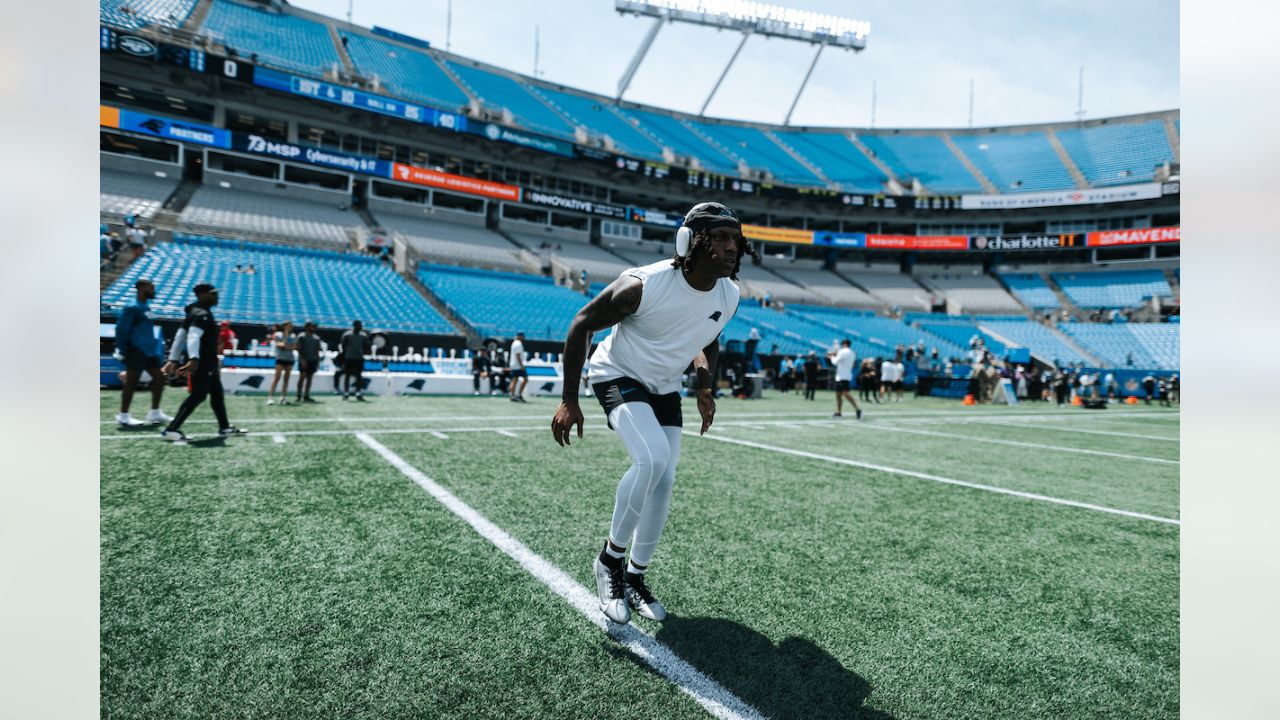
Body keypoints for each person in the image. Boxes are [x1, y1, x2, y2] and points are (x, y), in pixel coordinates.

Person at [551, 200, 756, 626]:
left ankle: (635, 577)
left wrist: (705, 385)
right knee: (652, 459)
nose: (732, 247)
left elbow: (708, 334)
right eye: (720, 237)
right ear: (689, 241)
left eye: (735, 239)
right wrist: (570, 398)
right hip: (618, 373)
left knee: (664, 480)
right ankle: (609, 562)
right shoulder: (642, 285)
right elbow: (581, 324)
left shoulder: (729, 294)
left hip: (664, 386)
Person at [160, 283, 246, 441]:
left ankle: (224, 427)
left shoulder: (194, 312)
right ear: (202, 295)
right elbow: (192, 336)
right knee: (198, 395)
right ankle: (171, 429)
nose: (216, 297)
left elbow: (180, 337)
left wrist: (173, 359)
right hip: (203, 363)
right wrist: (194, 358)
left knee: (217, 395)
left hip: (208, 363)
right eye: (213, 294)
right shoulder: (202, 314)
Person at [114, 279, 172, 427]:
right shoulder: (132, 307)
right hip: (136, 350)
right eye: (152, 288)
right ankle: (123, 415)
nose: (154, 291)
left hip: (149, 351)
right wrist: (122, 350)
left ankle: (154, 412)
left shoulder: (146, 306)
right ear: (142, 288)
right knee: (132, 382)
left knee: (160, 378)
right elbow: (121, 330)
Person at [826, 340, 862, 419]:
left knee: (845, 394)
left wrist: (832, 356)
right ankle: (838, 412)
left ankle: (858, 409)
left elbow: (835, 362)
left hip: (842, 376)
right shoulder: (852, 353)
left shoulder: (843, 351)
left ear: (844, 344)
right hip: (845, 375)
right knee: (838, 395)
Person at [266, 321, 297, 406]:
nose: (291, 327)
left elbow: (294, 347)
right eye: (289, 326)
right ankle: (270, 398)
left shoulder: (293, 336)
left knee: (286, 379)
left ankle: (283, 398)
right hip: (280, 359)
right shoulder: (278, 334)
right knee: (277, 378)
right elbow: (280, 345)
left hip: (289, 359)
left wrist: (286, 346)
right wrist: (286, 339)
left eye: (291, 326)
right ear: (284, 326)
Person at [339, 320, 371, 401]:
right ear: (355, 326)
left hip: (359, 358)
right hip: (349, 358)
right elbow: (343, 346)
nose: (361, 327)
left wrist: (365, 351)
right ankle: (346, 393)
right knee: (347, 375)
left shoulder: (363, 335)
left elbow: (366, 346)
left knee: (359, 376)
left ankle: (358, 393)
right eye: (359, 325)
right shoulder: (347, 335)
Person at [295, 322, 322, 403]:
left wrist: (317, 362)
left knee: (310, 378)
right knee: (302, 377)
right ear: (307, 327)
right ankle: (298, 395)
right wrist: (302, 360)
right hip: (304, 360)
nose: (314, 328)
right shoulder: (301, 336)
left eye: (315, 327)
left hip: (313, 360)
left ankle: (306, 396)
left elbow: (317, 351)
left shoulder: (317, 338)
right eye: (312, 326)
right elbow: (299, 349)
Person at [509, 332, 528, 402]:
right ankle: (519, 394)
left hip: (513, 365)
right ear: (520, 336)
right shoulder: (518, 344)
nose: (524, 338)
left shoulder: (514, 343)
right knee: (526, 379)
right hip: (517, 365)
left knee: (514, 380)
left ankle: (512, 395)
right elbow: (518, 355)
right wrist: (521, 365)